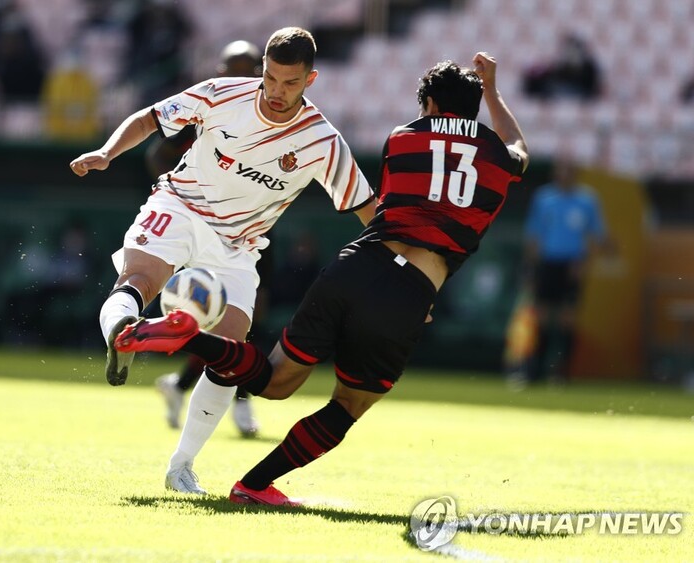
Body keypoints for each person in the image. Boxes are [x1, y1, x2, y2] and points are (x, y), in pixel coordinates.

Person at [114, 51, 529, 505]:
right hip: (411, 288)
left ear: (428, 104)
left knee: (273, 379)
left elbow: (392, 205)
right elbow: (517, 148)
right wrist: (491, 90)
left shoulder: (402, 138)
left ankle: (184, 335)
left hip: (356, 264)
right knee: (347, 405)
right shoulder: (496, 156)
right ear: (473, 106)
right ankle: (252, 484)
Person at [69, 27, 375, 495]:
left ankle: (180, 467)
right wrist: (108, 153)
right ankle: (122, 334)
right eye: (271, 78)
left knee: (232, 353)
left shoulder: (323, 142)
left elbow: (367, 209)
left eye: (290, 83)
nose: (276, 91)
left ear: (310, 80)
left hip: (237, 247)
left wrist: (403, 268)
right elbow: (151, 118)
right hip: (179, 207)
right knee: (137, 280)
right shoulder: (221, 94)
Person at [149, 40, 265, 438]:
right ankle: (241, 404)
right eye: (234, 67)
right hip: (206, 228)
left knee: (246, 319)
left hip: (251, 229)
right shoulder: (208, 113)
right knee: (218, 318)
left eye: (249, 68)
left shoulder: (275, 114)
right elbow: (158, 153)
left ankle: (181, 386)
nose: (242, 75)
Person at [519, 157, 610, 385]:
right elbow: (534, 235)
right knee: (541, 317)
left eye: (569, 170)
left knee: (566, 320)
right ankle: (533, 371)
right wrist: (531, 269)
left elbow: (597, 235)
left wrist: (585, 262)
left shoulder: (587, 200)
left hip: (572, 265)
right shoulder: (544, 198)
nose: (564, 175)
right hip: (548, 263)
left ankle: (561, 373)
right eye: (561, 170)